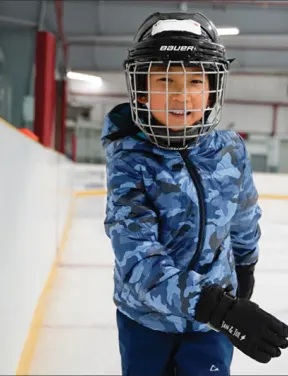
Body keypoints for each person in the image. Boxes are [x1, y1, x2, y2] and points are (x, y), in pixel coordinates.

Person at [100, 11, 288, 376]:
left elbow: (244, 216)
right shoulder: (129, 161)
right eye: (164, 79)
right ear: (140, 88)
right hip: (146, 321)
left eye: (195, 81)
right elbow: (138, 258)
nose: (180, 94)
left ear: (212, 89)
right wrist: (219, 307)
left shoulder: (232, 150)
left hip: (208, 329)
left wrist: (246, 266)